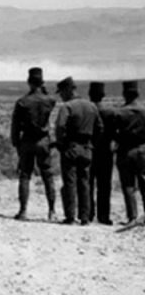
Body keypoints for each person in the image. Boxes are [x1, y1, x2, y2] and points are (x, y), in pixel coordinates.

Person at [9, 67, 57, 221]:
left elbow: (15, 126)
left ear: (29, 82)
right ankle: (52, 211)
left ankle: (23, 211)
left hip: (27, 141)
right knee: (47, 175)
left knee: (25, 175)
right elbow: (50, 100)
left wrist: (16, 143)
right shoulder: (49, 101)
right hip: (43, 140)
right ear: (42, 82)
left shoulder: (22, 102)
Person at [54, 76, 101, 225]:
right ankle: (85, 217)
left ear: (68, 90)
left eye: (61, 92)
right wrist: (92, 143)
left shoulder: (67, 107)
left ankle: (70, 216)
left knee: (70, 182)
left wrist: (61, 143)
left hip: (71, 147)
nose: (61, 96)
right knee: (85, 182)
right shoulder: (92, 106)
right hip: (87, 149)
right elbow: (100, 128)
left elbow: (60, 127)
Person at [112, 80, 145, 225]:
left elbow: (113, 133)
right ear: (138, 93)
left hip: (125, 150)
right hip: (143, 150)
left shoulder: (119, 113)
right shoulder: (144, 111)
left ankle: (132, 216)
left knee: (128, 185)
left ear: (124, 94)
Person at [87, 82, 117, 225]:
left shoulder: (87, 110)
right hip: (105, 151)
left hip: (89, 150)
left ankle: (88, 213)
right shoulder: (110, 112)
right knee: (105, 185)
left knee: (88, 184)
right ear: (103, 95)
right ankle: (104, 216)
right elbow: (115, 133)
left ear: (90, 94)